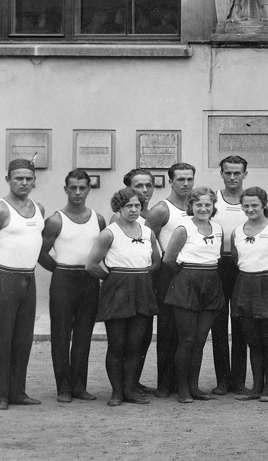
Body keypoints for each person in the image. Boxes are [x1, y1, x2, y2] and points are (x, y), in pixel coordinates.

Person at [0, 158, 45, 410]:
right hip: (3, 278)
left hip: (28, 277)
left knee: (23, 338)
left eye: (28, 178)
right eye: (18, 178)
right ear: (8, 180)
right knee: (2, 338)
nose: (24, 182)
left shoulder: (39, 209)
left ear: (34, 181)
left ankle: (17, 391)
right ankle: (0, 395)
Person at [85, 188, 160, 406]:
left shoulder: (148, 232)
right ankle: (117, 392)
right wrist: (111, 278)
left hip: (142, 291)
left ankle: (130, 390)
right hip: (116, 291)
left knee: (136, 344)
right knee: (117, 344)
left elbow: (156, 261)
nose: (134, 210)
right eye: (129, 206)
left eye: (137, 206)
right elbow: (90, 265)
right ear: (118, 208)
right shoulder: (110, 233)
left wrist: (141, 277)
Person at [38, 169, 106, 403]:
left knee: (84, 335)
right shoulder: (56, 220)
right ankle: (63, 388)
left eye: (82, 188)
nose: (77, 192)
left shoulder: (98, 219)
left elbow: (102, 252)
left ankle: (79, 386)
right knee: (61, 334)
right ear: (65, 189)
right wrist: (59, 270)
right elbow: (41, 252)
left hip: (89, 281)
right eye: (73, 188)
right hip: (64, 280)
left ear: (89, 189)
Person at [162, 187, 224, 403]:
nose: (203, 208)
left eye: (208, 204)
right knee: (186, 340)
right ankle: (183, 390)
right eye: (199, 205)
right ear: (191, 206)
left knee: (199, 341)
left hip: (211, 284)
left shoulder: (217, 228)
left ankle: (194, 387)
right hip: (186, 283)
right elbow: (168, 259)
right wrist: (186, 277)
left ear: (213, 206)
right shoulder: (183, 228)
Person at [231, 187, 268, 402]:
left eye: (254, 205)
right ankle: (256, 387)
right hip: (245, 285)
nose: (250, 209)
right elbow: (237, 259)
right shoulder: (237, 231)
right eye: (246, 205)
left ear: (264, 205)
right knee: (253, 341)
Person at [145, 162, 195, 397]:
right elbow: (148, 241)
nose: (186, 184)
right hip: (168, 270)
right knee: (167, 328)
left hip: (189, 271)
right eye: (181, 179)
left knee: (184, 330)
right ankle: (164, 384)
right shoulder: (162, 209)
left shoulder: (196, 207)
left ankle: (182, 383)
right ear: (171, 181)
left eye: (189, 179)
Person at [110, 167, 156, 393]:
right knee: (121, 340)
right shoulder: (118, 219)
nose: (145, 190)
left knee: (141, 338)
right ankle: (120, 388)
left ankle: (132, 382)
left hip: (145, 283)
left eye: (149, 185)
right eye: (139, 186)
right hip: (122, 286)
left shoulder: (151, 216)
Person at [211, 155, 249, 396]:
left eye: (237, 173)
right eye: (228, 172)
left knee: (241, 323)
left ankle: (239, 381)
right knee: (218, 323)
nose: (232, 177)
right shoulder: (212, 200)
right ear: (222, 174)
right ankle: (222, 380)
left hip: (243, 265)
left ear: (245, 174)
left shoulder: (252, 200)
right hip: (217, 264)